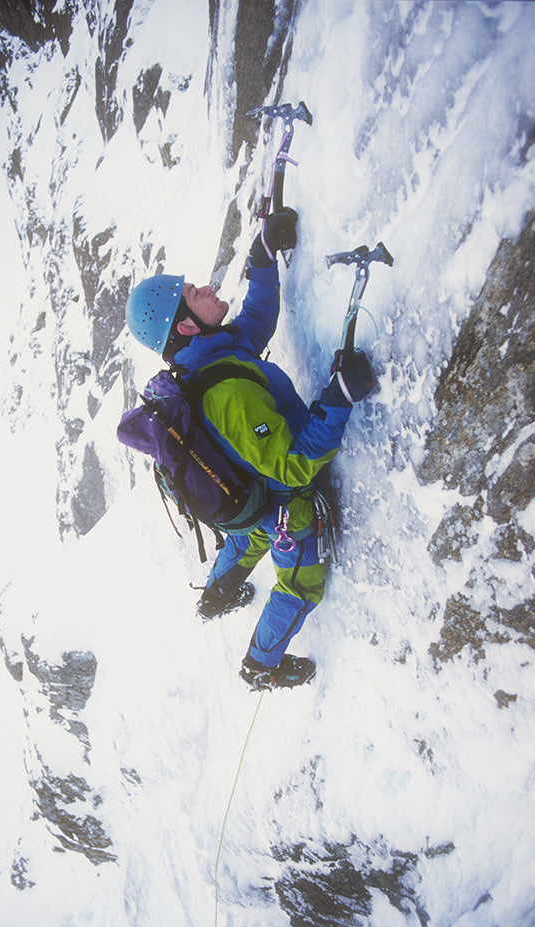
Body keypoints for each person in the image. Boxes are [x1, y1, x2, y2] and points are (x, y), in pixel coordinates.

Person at [124, 210, 374, 689]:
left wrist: (263, 257)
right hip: (283, 505)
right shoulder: (226, 394)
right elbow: (294, 465)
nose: (209, 290)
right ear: (187, 327)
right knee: (300, 584)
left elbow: (256, 320)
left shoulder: (214, 353)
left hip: (244, 495)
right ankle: (260, 665)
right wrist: (338, 397)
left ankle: (218, 594)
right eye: (196, 294)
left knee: (247, 535)